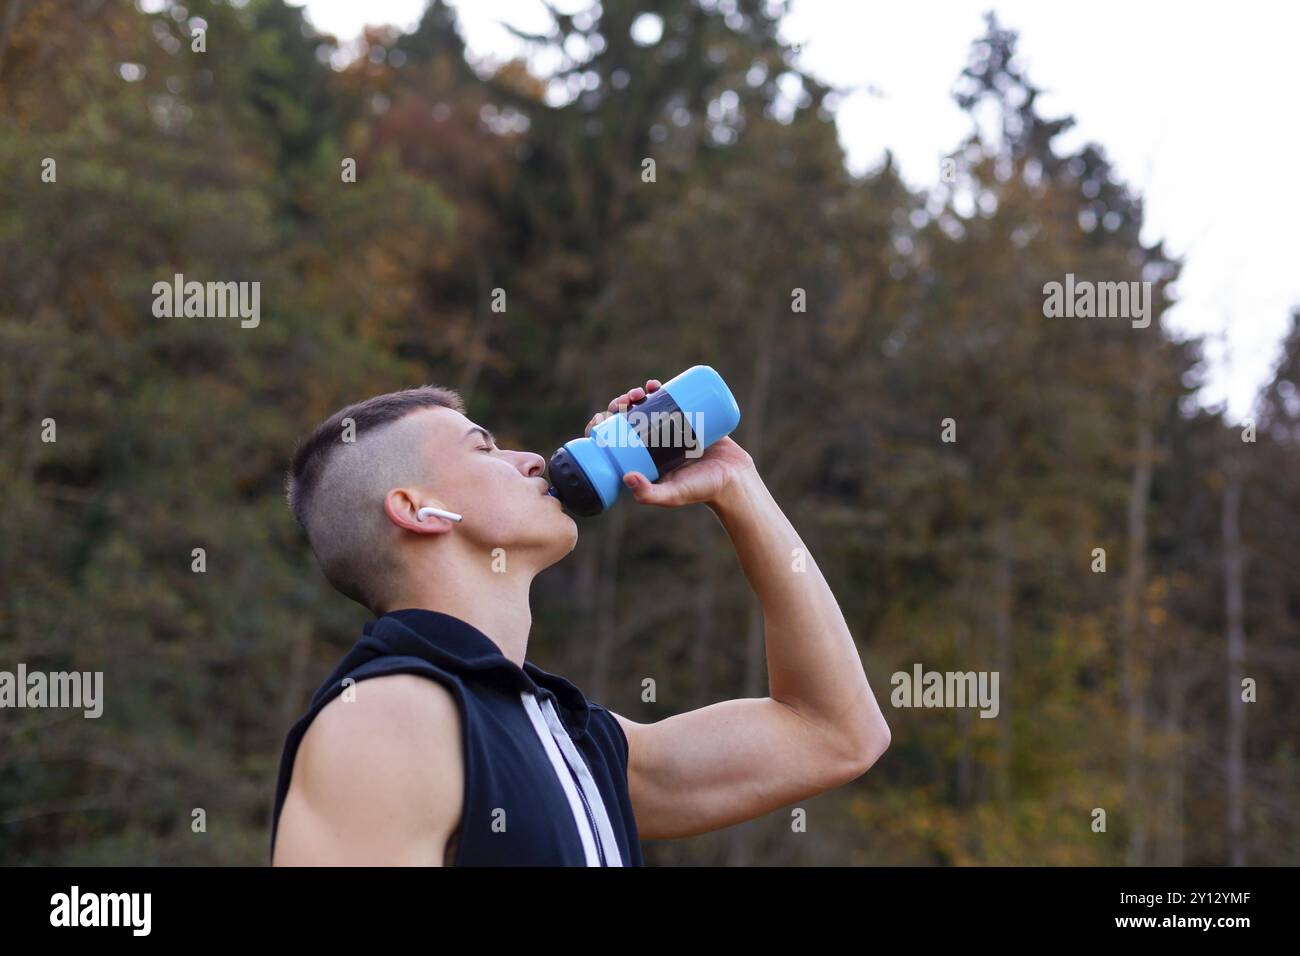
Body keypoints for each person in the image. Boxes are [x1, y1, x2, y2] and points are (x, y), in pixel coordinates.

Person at [269, 377, 891, 866]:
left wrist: (739, 489)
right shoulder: (385, 720)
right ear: (419, 510)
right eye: (485, 447)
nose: (534, 460)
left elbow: (835, 733)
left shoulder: (574, 742)